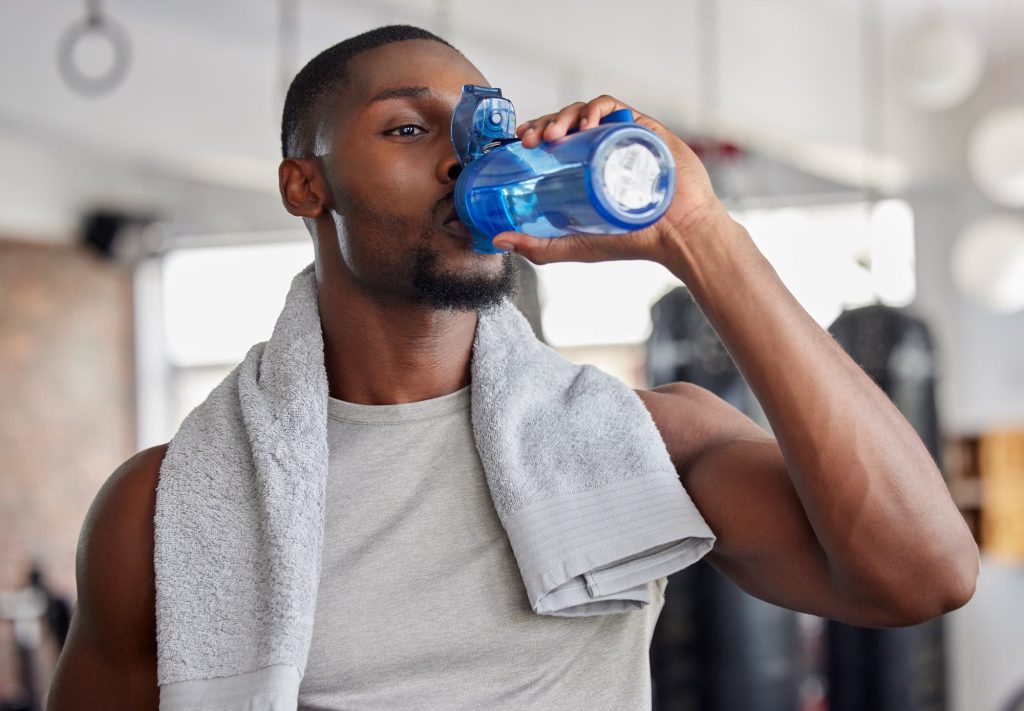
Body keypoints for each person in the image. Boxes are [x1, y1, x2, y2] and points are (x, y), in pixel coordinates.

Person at [46, 24, 979, 710]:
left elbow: (922, 575)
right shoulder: (169, 506)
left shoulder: (641, 443)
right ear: (306, 184)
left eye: (481, 130)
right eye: (409, 130)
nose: (463, 160)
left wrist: (700, 239)